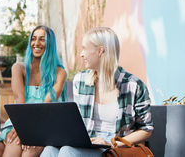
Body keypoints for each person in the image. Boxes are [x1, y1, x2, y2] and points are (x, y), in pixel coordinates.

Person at [41, 27, 153, 157]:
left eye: (84, 48)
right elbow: (77, 123)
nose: (81, 54)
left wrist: (111, 143)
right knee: (50, 150)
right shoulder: (80, 80)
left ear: (100, 51)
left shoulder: (134, 85)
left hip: (117, 148)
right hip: (89, 143)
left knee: (68, 152)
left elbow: (146, 130)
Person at [1, 25, 67, 157]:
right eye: (34, 39)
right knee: (14, 143)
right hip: (20, 121)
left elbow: (46, 104)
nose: (36, 43)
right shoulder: (18, 68)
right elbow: (20, 101)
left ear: (50, 44)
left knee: (29, 153)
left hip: (46, 124)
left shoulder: (60, 72)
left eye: (42, 39)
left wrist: (32, 133)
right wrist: (23, 130)